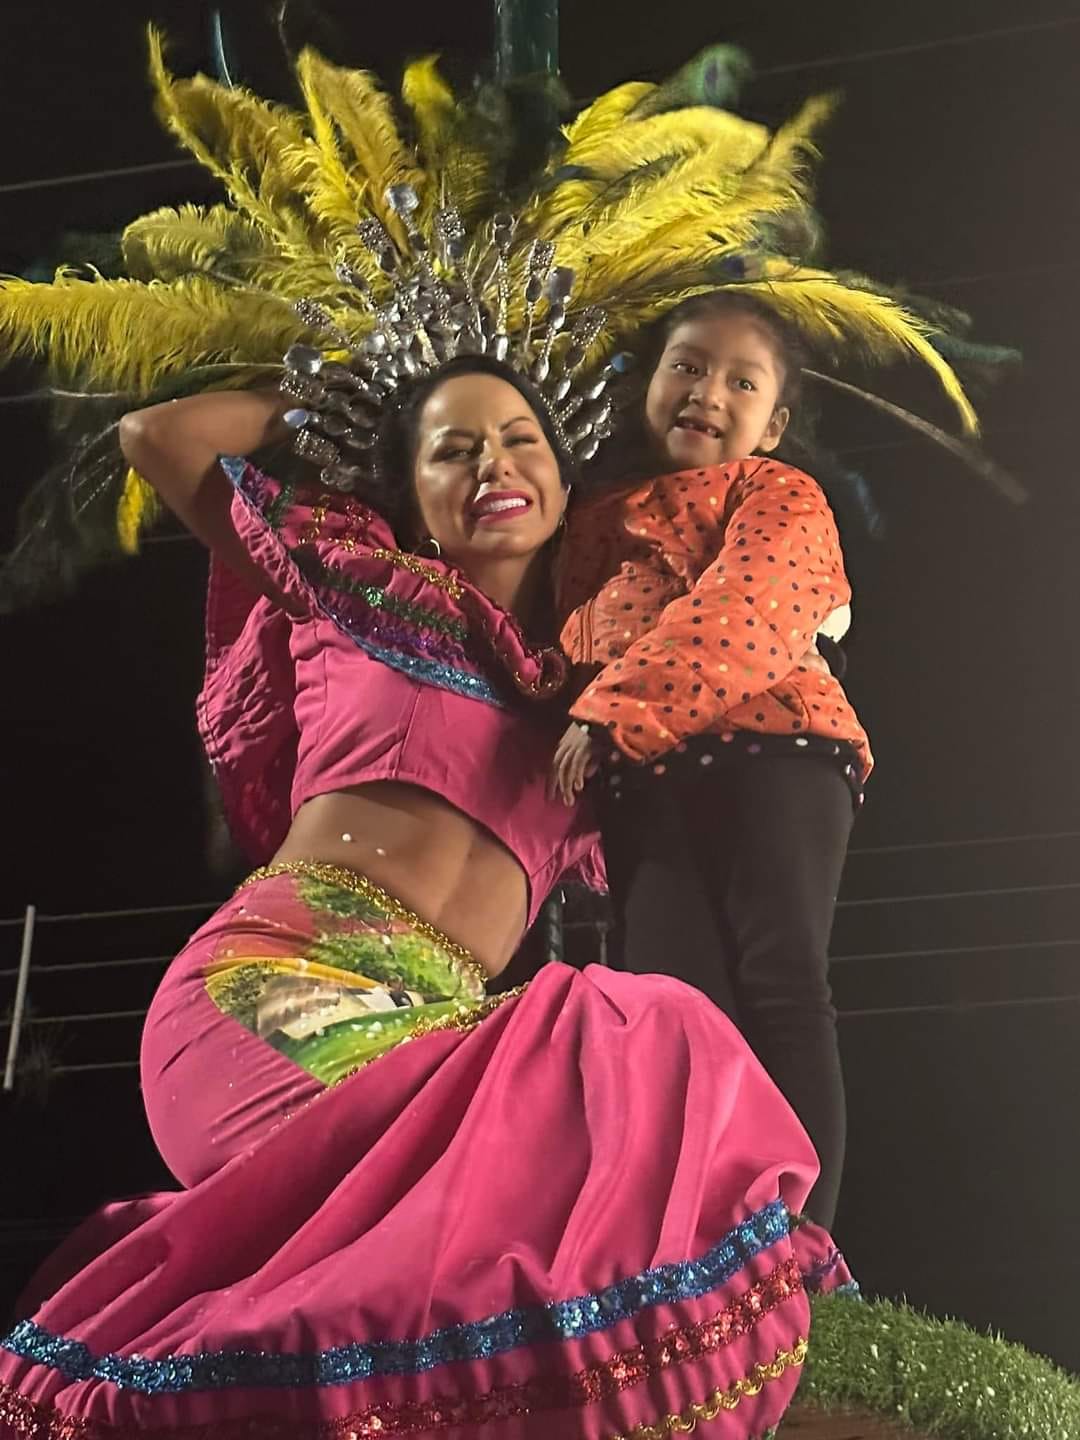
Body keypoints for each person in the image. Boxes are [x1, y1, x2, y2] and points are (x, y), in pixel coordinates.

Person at [0, 32, 1013, 1440]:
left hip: (449, 1029)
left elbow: (740, 645)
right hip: (280, 984)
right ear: (409, 492)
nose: (495, 464)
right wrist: (349, 374)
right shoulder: (347, 578)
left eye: (521, 439)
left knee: (648, 1044)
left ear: (567, 473)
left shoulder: (587, 690)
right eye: (454, 446)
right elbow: (164, 439)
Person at [553, 291, 869, 1229]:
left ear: (772, 426)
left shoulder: (776, 492)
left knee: (781, 983)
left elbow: (751, 603)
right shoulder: (585, 520)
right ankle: (708, 1248)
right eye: (687, 366)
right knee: (672, 1007)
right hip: (644, 780)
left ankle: (804, 1249)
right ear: (647, 384)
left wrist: (612, 713)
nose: (707, 392)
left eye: (740, 381)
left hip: (774, 749)